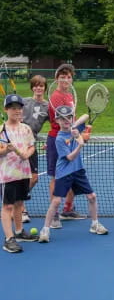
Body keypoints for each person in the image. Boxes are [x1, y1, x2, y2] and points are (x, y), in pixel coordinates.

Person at [38, 106, 108, 243]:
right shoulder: (59, 139)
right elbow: (70, 157)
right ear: (57, 120)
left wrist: (74, 126)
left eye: (68, 117)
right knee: (57, 201)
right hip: (64, 172)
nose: (66, 120)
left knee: (92, 196)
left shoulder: (74, 128)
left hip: (78, 171)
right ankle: (45, 230)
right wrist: (80, 144)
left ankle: (95, 224)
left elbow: (86, 117)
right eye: (62, 118)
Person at [46, 64, 85, 227]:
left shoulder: (69, 96)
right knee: (57, 176)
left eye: (69, 77)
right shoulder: (55, 97)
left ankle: (67, 209)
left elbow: (72, 122)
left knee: (71, 174)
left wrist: (80, 130)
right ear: (57, 79)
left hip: (70, 138)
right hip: (58, 139)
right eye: (62, 77)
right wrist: (78, 128)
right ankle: (54, 215)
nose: (66, 80)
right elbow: (63, 122)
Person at [0, 94, 38, 253]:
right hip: (8, 175)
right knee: (7, 206)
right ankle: (9, 239)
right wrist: (5, 150)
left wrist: (27, 154)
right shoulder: (2, 130)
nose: (17, 111)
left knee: (19, 204)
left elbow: (31, 146)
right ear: (6, 110)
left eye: (19, 108)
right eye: (13, 108)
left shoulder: (26, 128)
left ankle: (19, 231)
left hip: (23, 173)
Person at [20, 75, 50, 223]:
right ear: (32, 87)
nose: (38, 88)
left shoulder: (48, 106)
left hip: (31, 145)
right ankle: (22, 209)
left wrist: (50, 141)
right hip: (18, 144)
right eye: (36, 85)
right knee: (18, 177)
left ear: (45, 88)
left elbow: (55, 126)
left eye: (41, 86)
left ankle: (18, 198)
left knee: (34, 178)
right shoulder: (23, 102)